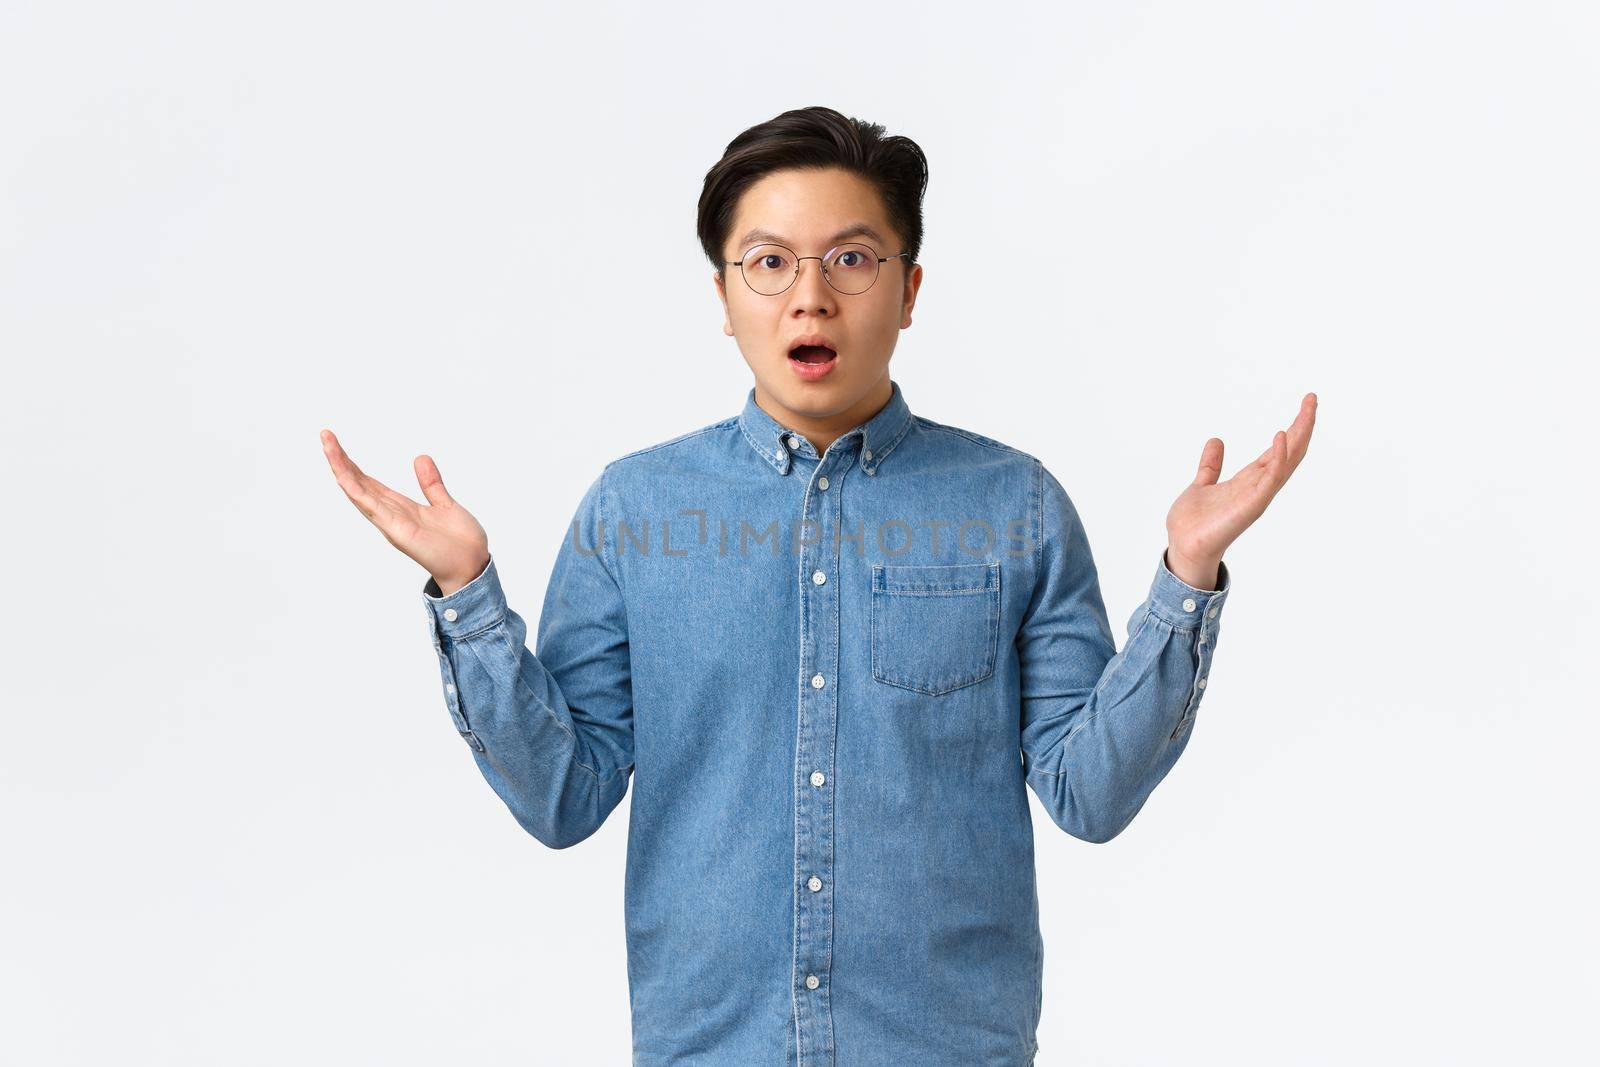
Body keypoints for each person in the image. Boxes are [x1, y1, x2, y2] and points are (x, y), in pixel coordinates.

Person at [321, 105, 1316, 1067]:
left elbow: (1087, 791)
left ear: (910, 288)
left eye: (850, 258)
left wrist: (1187, 575)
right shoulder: (634, 510)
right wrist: (466, 592)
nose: (810, 296)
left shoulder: (1015, 505)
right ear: (722, 297)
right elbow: (563, 796)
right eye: (768, 262)